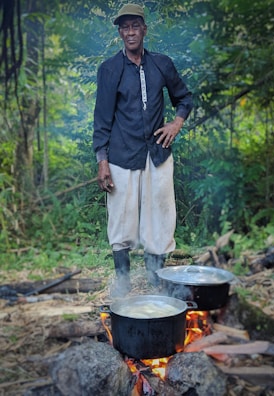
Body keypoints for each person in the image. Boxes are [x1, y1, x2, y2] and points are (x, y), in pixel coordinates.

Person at [93, 3, 193, 297]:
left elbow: (184, 98)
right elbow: (102, 120)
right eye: (125, 27)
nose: (130, 32)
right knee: (121, 219)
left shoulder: (162, 64)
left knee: (160, 218)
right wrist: (103, 160)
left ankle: (156, 281)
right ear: (120, 32)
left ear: (144, 29)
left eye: (135, 25)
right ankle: (122, 282)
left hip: (158, 154)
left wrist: (176, 123)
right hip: (123, 155)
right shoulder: (110, 69)